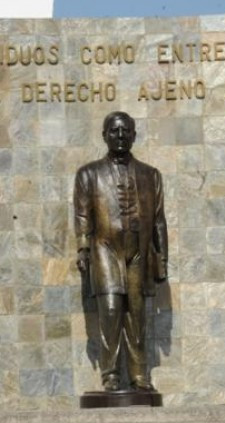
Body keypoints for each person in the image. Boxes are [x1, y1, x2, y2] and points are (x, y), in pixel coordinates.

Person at [74, 112, 169, 393]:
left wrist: (161, 257)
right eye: (114, 131)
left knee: (137, 314)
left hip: (138, 251)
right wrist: (82, 247)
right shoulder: (88, 174)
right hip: (105, 247)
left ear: (134, 136)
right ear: (104, 135)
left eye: (126, 131)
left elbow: (159, 220)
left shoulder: (150, 175)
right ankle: (111, 373)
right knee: (112, 309)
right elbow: (82, 215)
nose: (120, 136)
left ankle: (139, 374)